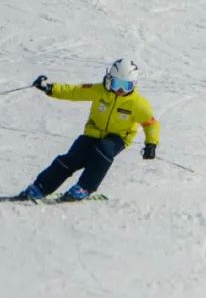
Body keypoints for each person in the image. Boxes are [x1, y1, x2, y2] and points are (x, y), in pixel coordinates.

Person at [15, 58, 160, 201]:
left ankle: (84, 187)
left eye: (126, 86)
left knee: (104, 150)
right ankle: (40, 187)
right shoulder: (99, 91)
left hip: (118, 137)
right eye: (117, 84)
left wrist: (151, 144)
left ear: (133, 85)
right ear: (109, 80)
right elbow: (75, 91)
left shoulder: (138, 103)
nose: (121, 90)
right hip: (93, 132)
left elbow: (151, 124)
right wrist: (50, 88)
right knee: (72, 158)